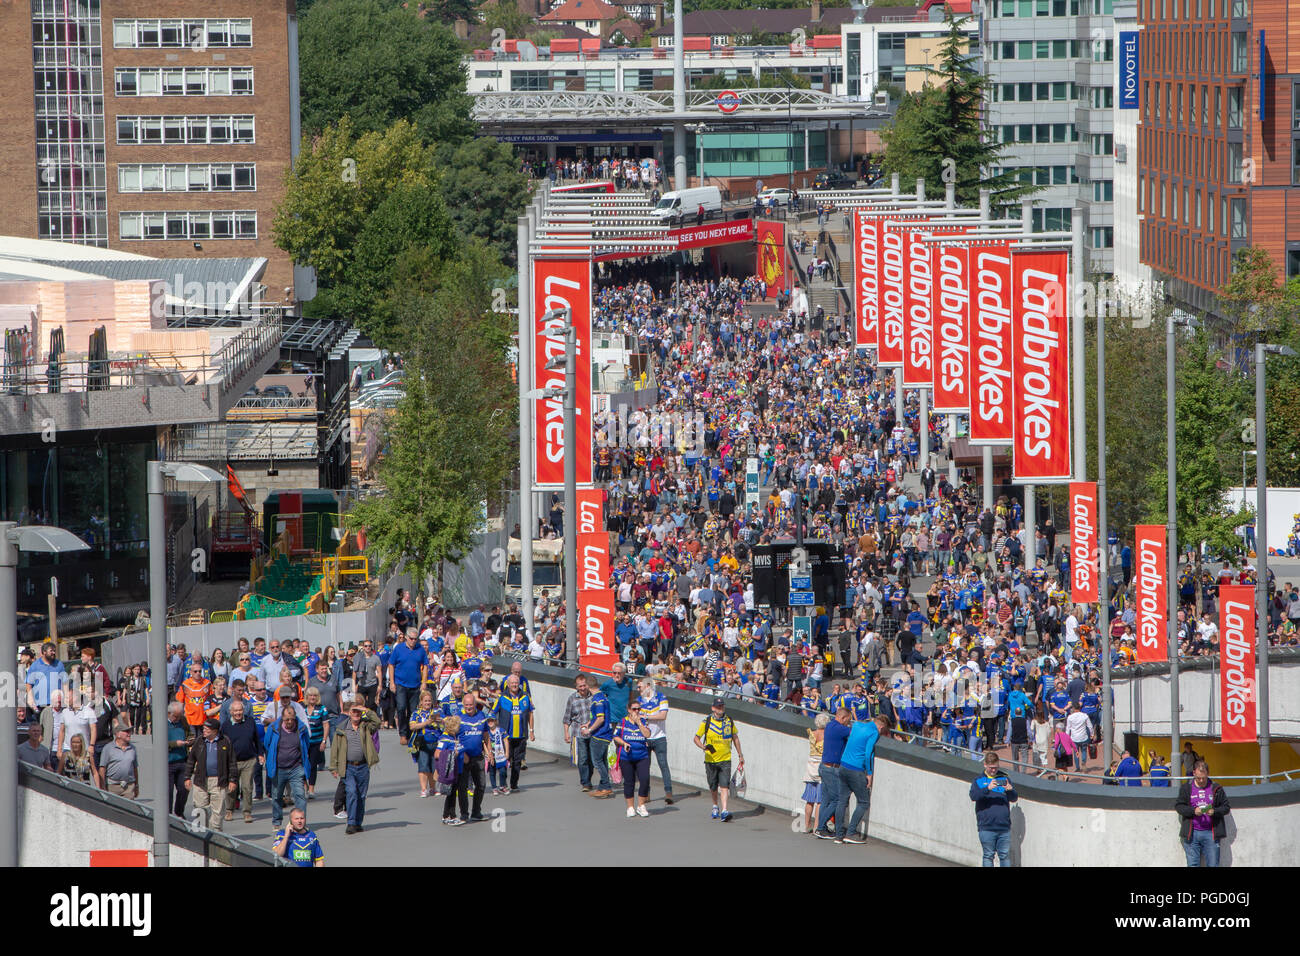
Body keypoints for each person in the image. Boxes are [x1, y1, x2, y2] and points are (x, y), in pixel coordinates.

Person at [329, 698, 380, 834]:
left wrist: (365, 710)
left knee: (361, 796)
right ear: (349, 712)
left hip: (363, 767)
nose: (356, 714)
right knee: (351, 793)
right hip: (348, 767)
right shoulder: (341, 728)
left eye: (358, 712)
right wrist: (333, 767)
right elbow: (335, 749)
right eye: (353, 711)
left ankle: (358, 822)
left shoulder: (366, 726)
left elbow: (377, 722)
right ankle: (351, 823)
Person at [834, 714, 886, 844]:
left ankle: (838, 834)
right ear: (881, 727)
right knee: (863, 802)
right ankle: (851, 832)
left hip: (843, 764)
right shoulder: (874, 732)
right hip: (856, 769)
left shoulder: (856, 725)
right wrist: (869, 773)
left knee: (842, 800)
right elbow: (868, 753)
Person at [693, 697, 744, 822]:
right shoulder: (707, 722)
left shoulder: (729, 721)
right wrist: (703, 747)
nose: (720, 708)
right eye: (718, 706)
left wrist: (740, 755)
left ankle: (725, 810)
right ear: (713, 708)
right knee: (713, 785)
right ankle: (715, 805)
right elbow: (696, 738)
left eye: (722, 706)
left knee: (724, 785)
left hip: (725, 758)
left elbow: (735, 738)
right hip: (710, 759)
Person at [1174, 759, 1231, 867]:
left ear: (1208, 773)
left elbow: (1226, 807)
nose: (1201, 780)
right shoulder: (1186, 788)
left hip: (1211, 833)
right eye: (1198, 778)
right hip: (1192, 833)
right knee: (1192, 864)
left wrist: (1214, 811)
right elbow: (1179, 806)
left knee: (1213, 864)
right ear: (1194, 773)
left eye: (1203, 778)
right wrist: (1193, 811)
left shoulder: (1216, 788)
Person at [184, 718, 237, 831]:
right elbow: (191, 760)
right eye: (203, 728)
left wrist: (233, 780)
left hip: (219, 781)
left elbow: (232, 761)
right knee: (199, 809)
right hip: (201, 780)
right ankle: (200, 835)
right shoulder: (199, 741)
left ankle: (215, 835)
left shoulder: (225, 741)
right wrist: (187, 777)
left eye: (207, 729)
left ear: (215, 731)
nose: (204, 731)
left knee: (217, 811)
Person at [265, 707, 311, 833]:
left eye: (291, 719)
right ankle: (277, 821)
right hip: (278, 768)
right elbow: (267, 744)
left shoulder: (301, 728)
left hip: (296, 768)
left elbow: (306, 744)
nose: (289, 722)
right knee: (276, 796)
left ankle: (300, 823)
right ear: (282, 718)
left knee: (300, 795)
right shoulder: (274, 728)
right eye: (287, 719)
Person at [970, 752, 1017, 867]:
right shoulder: (978, 780)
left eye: (996, 768)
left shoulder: (1004, 779)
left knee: (1004, 856)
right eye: (991, 768)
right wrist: (987, 788)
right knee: (988, 855)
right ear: (985, 765)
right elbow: (973, 796)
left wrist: (1010, 790)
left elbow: (1014, 798)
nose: (993, 770)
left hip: (1003, 827)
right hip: (986, 826)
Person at [451, 690, 491, 823]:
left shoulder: (482, 716)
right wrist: (461, 752)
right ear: (463, 705)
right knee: (462, 787)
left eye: (471, 705)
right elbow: (452, 737)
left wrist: (489, 752)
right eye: (466, 705)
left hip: (478, 756)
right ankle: (464, 814)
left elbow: (486, 735)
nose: (469, 707)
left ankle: (476, 812)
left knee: (481, 785)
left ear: (475, 704)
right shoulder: (458, 718)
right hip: (463, 758)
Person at [221, 698, 263, 824]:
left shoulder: (250, 722)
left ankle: (247, 812)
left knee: (247, 787)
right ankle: (229, 810)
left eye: (240, 710)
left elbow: (257, 739)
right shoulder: (226, 726)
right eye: (236, 711)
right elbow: (222, 744)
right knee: (232, 788)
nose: (238, 713)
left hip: (249, 760)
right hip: (233, 762)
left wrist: (260, 754)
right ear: (231, 712)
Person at [495, 673, 535, 793]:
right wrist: (494, 730)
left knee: (517, 761)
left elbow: (530, 713)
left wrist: (532, 731)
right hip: (506, 736)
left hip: (521, 735)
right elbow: (492, 713)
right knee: (504, 760)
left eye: (516, 683)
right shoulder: (501, 697)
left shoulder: (526, 696)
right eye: (512, 683)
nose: (514, 685)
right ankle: (503, 784)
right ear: (508, 684)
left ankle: (514, 784)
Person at [614, 699, 653, 818]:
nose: (636, 711)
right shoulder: (623, 722)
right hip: (627, 756)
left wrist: (639, 723)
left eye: (638, 709)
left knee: (645, 779)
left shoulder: (643, 721)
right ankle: (630, 807)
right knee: (629, 781)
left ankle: (641, 806)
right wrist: (624, 743)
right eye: (634, 709)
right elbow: (616, 736)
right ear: (629, 710)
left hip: (642, 755)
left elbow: (647, 735)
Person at [387, 628, 426, 746]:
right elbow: (391, 664)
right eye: (411, 639)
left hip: (415, 685)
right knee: (401, 707)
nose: (414, 641)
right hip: (401, 684)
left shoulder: (420, 649)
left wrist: (424, 682)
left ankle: (410, 734)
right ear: (407, 638)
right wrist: (392, 682)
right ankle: (403, 734)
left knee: (413, 711)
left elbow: (425, 665)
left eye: (415, 639)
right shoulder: (398, 648)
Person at [637, 677, 673, 804]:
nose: (638, 689)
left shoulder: (661, 697)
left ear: (647, 686)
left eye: (640, 687)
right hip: (645, 738)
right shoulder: (639, 700)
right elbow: (635, 717)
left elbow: (663, 716)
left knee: (663, 765)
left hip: (659, 737)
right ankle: (646, 793)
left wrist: (645, 716)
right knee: (644, 767)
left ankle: (668, 792)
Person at [562, 673, 598, 792]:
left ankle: (589, 778)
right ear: (576, 687)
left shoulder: (593, 697)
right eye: (580, 686)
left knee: (592, 759)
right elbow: (567, 718)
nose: (582, 688)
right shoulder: (572, 699)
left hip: (593, 732)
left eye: (584, 686)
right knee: (582, 759)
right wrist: (566, 733)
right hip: (579, 733)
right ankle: (585, 782)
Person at [582, 683, 616, 797]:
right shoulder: (603, 697)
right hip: (605, 734)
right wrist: (588, 723)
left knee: (597, 761)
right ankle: (602, 787)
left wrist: (589, 730)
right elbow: (597, 717)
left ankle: (606, 786)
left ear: (588, 686)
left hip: (600, 735)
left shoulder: (598, 700)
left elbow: (601, 719)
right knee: (603, 761)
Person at [409, 690, 441, 798]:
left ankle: (433, 788)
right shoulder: (416, 713)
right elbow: (412, 726)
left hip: (436, 742)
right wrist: (426, 723)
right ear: (421, 702)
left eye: (429, 701)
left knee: (434, 766)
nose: (427, 703)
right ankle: (424, 789)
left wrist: (439, 721)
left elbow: (445, 724)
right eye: (425, 701)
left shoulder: (437, 711)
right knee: (423, 766)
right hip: (423, 743)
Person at [436, 715, 466, 825]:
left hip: (458, 769)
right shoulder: (444, 738)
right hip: (450, 770)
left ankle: (449, 815)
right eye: (458, 726)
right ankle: (448, 816)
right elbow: (437, 754)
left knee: (453, 793)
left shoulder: (455, 737)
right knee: (451, 793)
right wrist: (453, 754)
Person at [803, 713, 829, 834]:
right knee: (820, 800)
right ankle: (816, 826)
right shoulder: (827, 735)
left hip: (810, 765)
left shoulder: (811, 734)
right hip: (821, 765)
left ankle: (806, 825)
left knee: (809, 799)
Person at [99, 727, 139, 799]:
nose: (129, 734)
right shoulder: (108, 748)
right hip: (112, 787)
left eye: (130, 731)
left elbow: (135, 768)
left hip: (129, 786)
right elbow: (102, 768)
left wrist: (136, 786)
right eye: (126, 731)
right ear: (118, 734)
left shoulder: (132, 748)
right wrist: (102, 787)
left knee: (129, 808)